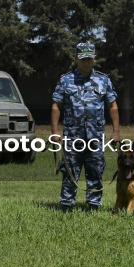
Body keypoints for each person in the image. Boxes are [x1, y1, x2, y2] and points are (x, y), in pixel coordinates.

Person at [51, 42, 120, 213]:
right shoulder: (66, 80)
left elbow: (113, 106)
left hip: (95, 136)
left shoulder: (103, 80)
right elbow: (56, 106)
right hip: (72, 136)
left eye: (89, 59)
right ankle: (66, 207)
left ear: (94, 59)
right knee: (70, 172)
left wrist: (116, 132)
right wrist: (54, 132)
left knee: (95, 172)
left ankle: (93, 207)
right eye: (83, 59)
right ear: (76, 59)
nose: (86, 62)